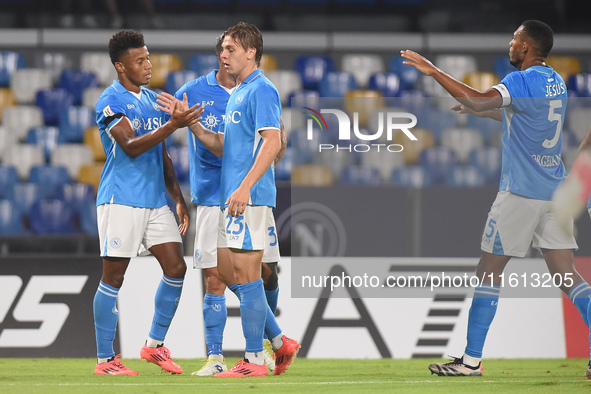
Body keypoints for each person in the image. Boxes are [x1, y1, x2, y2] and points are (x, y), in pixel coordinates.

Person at [401, 20, 591, 377]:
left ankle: (471, 361)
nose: (510, 43)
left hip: (521, 192)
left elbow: (475, 96)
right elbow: (525, 120)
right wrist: (483, 111)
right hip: (555, 190)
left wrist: (433, 71)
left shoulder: (520, 80)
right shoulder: (556, 82)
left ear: (526, 48)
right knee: (569, 277)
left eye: (515, 39)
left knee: (488, 271)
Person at [159, 22, 300, 378]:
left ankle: (254, 360)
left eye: (231, 49)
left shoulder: (263, 90)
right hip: (230, 198)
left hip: (247, 199)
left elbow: (273, 142)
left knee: (249, 274)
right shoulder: (240, 91)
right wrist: (192, 124)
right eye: (222, 48)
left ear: (251, 52)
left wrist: (246, 186)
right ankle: (279, 343)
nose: (224, 54)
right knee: (226, 271)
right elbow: (225, 146)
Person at [92, 29, 202, 376]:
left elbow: (162, 155)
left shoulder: (154, 100)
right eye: (140, 60)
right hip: (121, 199)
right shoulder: (110, 102)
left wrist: (179, 200)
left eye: (148, 57)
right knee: (114, 277)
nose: (148, 65)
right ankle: (105, 360)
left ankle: (153, 346)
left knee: (176, 268)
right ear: (120, 67)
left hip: (156, 201)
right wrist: (173, 124)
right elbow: (131, 145)